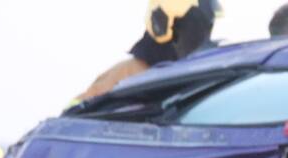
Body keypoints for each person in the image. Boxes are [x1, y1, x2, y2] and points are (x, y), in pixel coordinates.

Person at [80, 0, 219, 101]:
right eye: (195, 28)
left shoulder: (215, 72)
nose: (203, 36)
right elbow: (72, 121)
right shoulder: (128, 74)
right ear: (162, 26)